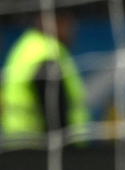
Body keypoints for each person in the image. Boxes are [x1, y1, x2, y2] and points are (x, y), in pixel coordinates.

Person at [1, 13, 89, 146]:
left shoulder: (29, 45)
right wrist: (67, 150)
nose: (72, 29)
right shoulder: (44, 53)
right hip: (37, 147)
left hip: (18, 142)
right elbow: (54, 112)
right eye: (67, 23)